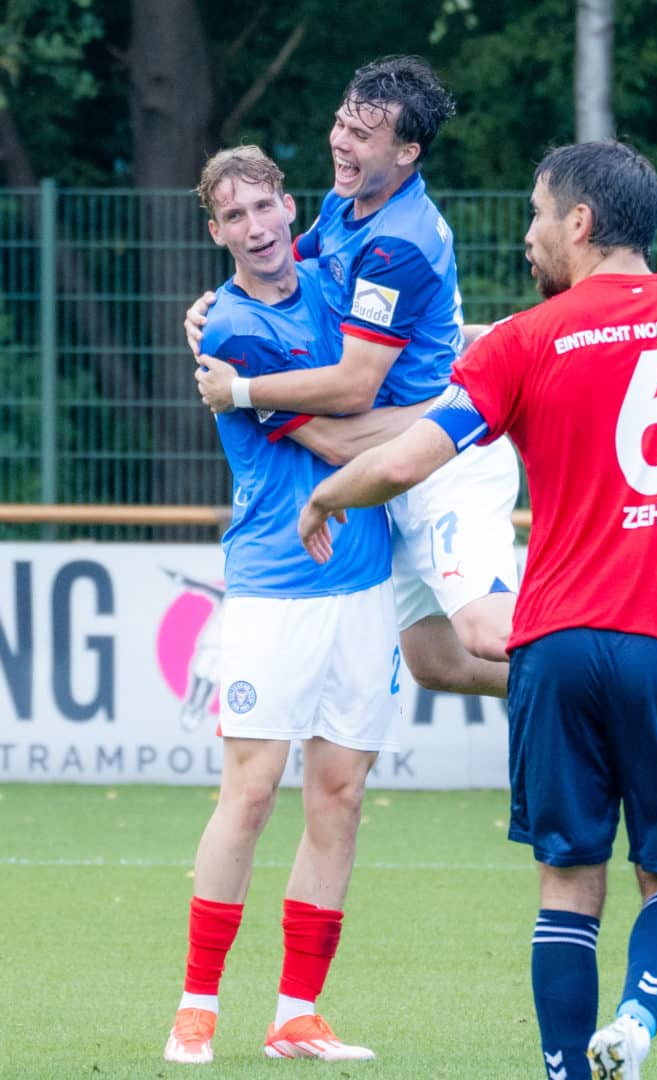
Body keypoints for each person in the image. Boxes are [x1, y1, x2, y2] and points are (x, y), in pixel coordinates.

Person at [296, 141, 657, 1078]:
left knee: (567, 884)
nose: (529, 233)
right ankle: (635, 1020)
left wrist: (326, 496)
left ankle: (562, 1072)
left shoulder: (525, 338)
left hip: (549, 646)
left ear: (580, 224)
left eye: (540, 214)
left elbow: (410, 458)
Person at [184, 55, 657, 736]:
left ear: (407, 152)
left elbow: (352, 389)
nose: (341, 142)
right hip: (399, 452)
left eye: (362, 134)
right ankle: (623, 690)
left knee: (484, 630)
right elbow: (295, 268)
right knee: (436, 659)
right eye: (341, 122)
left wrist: (244, 388)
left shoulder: (399, 242)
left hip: (444, 452)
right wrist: (218, 309)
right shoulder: (344, 205)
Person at [163, 145, 418, 1066]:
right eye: (235, 218)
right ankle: (198, 1004)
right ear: (215, 232)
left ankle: (297, 1013)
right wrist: (449, 418)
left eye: (266, 207)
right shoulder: (226, 328)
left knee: (340, 796)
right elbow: (340, 435)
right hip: (276, 585)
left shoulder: (332, 274)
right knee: (253, 791)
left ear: (288, 204)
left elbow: (387, 353)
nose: (258, 228)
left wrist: (442, 398)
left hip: (364, 584)